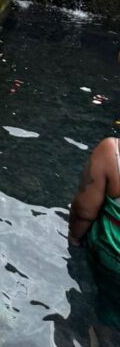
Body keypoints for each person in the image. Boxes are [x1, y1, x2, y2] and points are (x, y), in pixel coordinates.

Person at [69, 136, 120, 333]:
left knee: (108, 315)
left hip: (113, 263)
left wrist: (74, 240)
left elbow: (83, 212)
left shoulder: (112, 152)